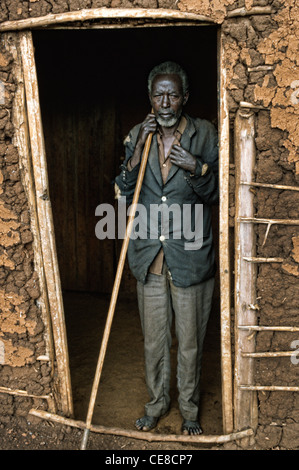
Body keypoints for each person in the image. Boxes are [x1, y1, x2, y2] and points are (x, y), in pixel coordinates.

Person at [114, 61, 218, 435]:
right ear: (150, 98)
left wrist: (196, 167)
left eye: (173, 94)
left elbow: (220, 193)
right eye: (159, 94)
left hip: (190, 257)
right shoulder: (137, 135)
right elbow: (124, 191)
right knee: (155, 341)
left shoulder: (204, 135)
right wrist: (139, 150)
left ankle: (189, 410)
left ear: (185, 97)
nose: (165, 102)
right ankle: (157, 403)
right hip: (149, 257)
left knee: (190, 342)